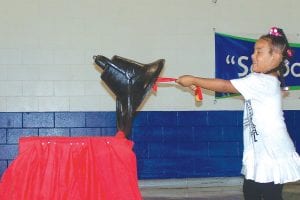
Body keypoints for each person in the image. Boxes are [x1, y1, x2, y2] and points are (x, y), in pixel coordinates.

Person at [176, 27, 300, 200]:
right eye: (253, 51)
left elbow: (225, 86)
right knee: (251, 192)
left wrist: (194, 79)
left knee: (267, 194)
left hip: (272, 153)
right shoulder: (263, 79)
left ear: (276, 56)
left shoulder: (262, 82)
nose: (252, 56)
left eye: (259, 52)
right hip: (260, 151)